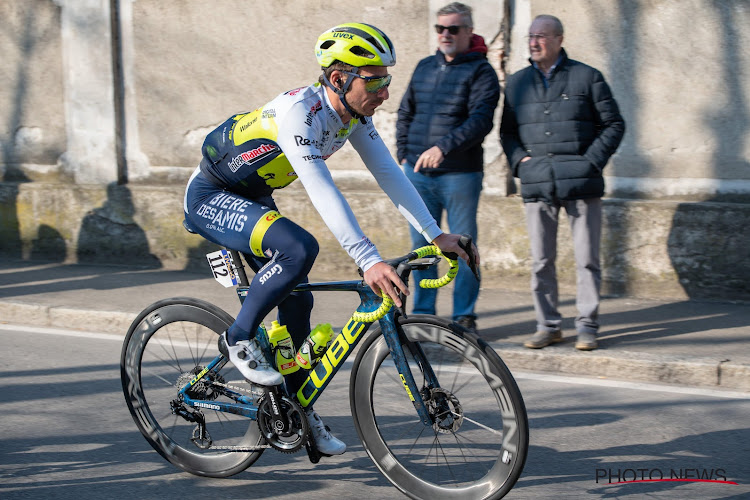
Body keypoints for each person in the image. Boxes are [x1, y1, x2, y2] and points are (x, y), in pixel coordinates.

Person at [183, 23, 479, 456]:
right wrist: (368, 258)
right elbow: (323, 189)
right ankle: (239, 336)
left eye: (387, 80)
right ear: (339, 78)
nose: (384, 91)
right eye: (374, 80)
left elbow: (389, 174)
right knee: (300, 248)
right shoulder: (298, 114)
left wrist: (436, 234)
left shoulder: (352, 116)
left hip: (252, 196)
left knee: (298, 301)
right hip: (211, 195)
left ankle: (295, 410)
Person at [499, 15, 625, 351]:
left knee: (587, 260)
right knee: (541, 261)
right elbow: (507, 132)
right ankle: (548, 325)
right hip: (537, 182)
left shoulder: (587, 77)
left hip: (582, 184)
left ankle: (587, 326)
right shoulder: (517, 83)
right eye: (530, 36)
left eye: (541, 36)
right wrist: (520, 164)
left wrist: (590, 163)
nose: (533, 42)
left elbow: (613, 125)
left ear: (559, 38)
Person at [396, 2, 500, 334]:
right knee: (423, 250)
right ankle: (425, 315)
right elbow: (405, 110)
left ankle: (464, 316)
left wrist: (444, 147)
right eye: (440, 28)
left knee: (463, 246)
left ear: (469, 31)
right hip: (417, 175)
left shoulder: (482, 72)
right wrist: (402, 153)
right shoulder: (425, 66)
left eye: (453, 29)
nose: (445, 35)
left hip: (460, 175)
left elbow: (480, 121)